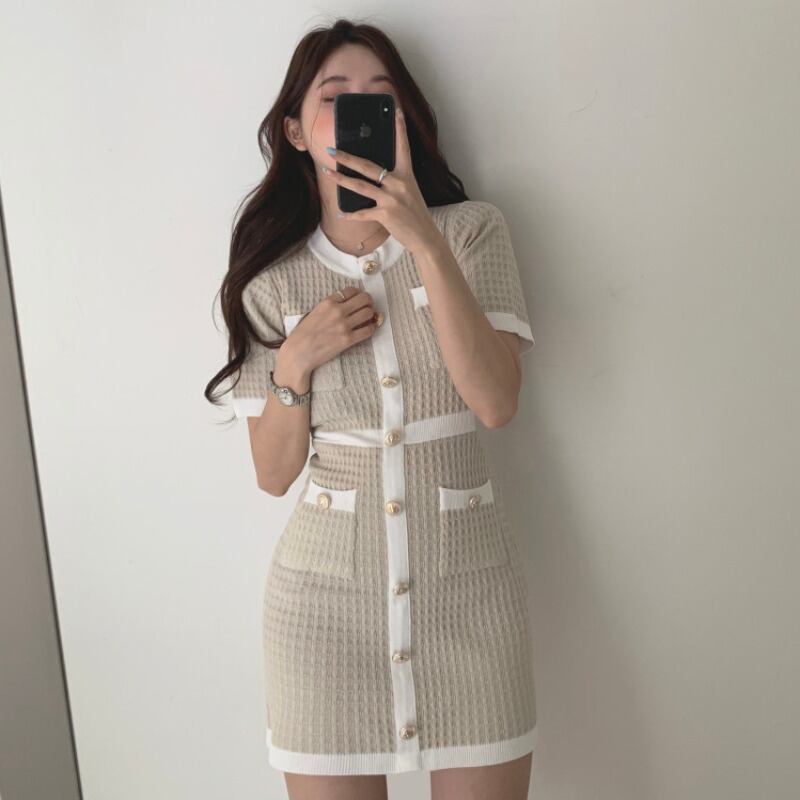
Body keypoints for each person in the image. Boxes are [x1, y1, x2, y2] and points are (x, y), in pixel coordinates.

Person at [205, 17, 538, 800]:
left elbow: (495, 401)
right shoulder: (271, 281)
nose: (359, 111)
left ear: (402, 121)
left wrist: (424, 243)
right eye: (335, 98)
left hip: (471, 603)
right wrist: (295, 361)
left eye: (379, 98)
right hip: (323, 618)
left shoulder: (472, 232)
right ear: (296, 131)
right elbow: (273, 474)